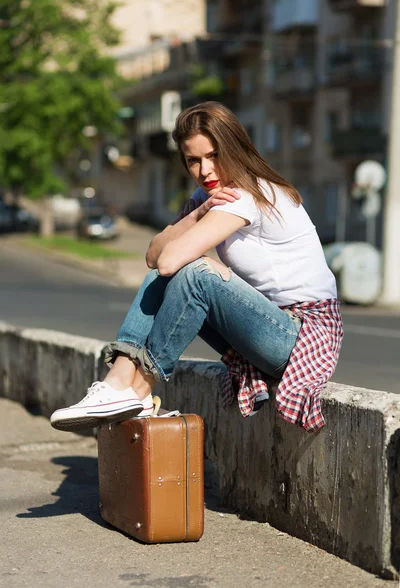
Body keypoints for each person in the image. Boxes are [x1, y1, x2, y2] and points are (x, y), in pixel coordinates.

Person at [50, 101, 343, 434]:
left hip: (300, 335)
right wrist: (197, 213)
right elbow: (153, 256)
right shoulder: (210, 195)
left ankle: (138, 389)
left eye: (214, 155)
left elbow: (169, 260)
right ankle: (119, 382)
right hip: (263, 324)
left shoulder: (247, 194)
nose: (205, 171)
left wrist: (200, 225)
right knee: (175, 272)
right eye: (193, 160)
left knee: (197, 274)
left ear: (235, 148)